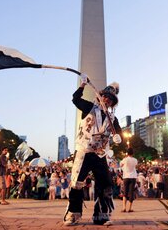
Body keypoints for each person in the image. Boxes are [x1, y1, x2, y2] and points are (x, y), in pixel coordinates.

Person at [63, 75, 122, 226]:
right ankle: (73, 214)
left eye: (110, 99)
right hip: (84, 151)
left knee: (105, 183)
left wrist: (118, 138)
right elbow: (75, 99)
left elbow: (118, 133)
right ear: (100, 96)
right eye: (105, 97)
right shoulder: (89, 107)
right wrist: (82, 85)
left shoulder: (113, 118)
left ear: (112, 103)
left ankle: (101, 216)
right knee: (77, 183)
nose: (107, 100)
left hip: (100, 154)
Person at [120, 147, 138, 212]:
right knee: (131, 193)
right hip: (133, 177)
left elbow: (121, 165)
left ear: (127, 153)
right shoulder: (135, 160)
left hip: (126, 177)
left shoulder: (125, 159)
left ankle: (124, 208)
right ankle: (130, 208)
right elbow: (135, 166)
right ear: (133, 153)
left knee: (125, 192)